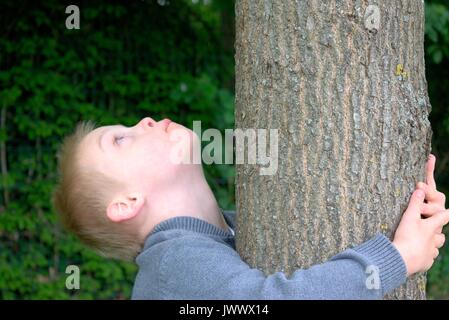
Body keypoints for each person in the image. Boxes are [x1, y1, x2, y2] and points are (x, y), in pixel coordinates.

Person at [53, 117, 448, 299]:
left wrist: (410, 210)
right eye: (121, 140)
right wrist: (398, 256)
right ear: (127, 204)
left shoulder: (235, 232)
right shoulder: (174, 265)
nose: (143, 121)